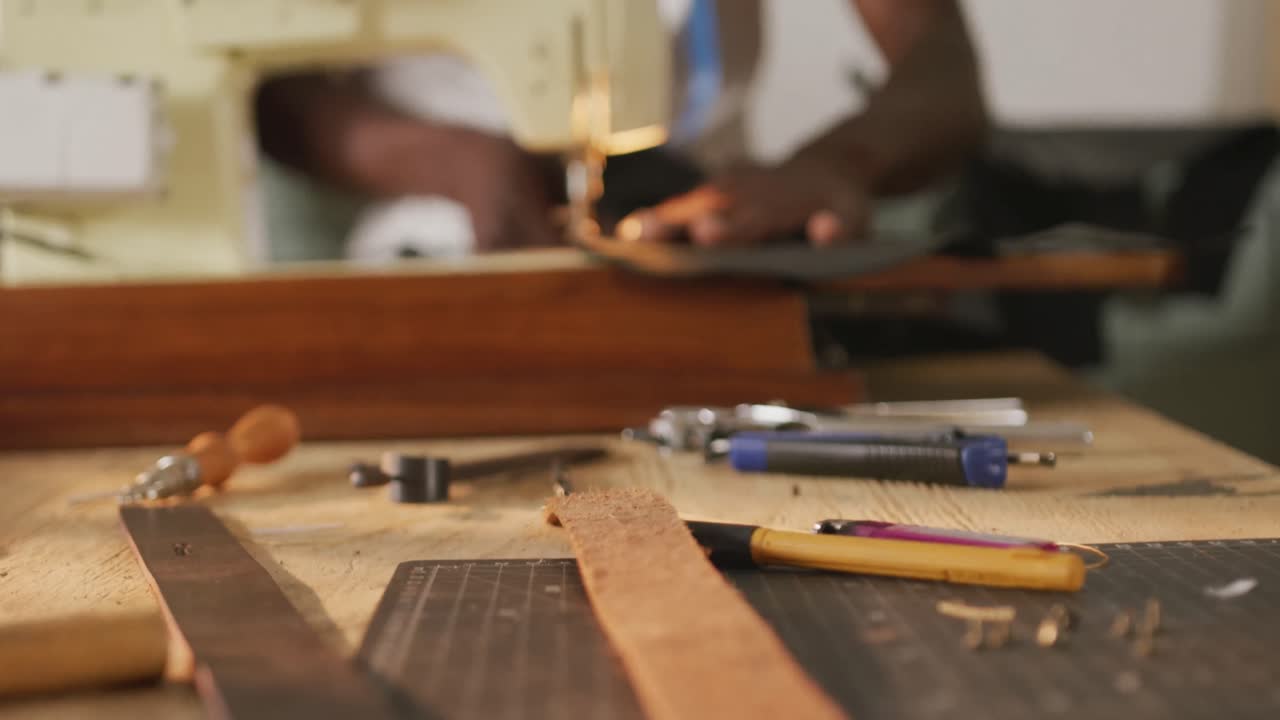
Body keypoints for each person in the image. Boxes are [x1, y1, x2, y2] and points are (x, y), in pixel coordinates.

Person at [255, 0, 987, 258]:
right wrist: (447, 159)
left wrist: (839, 164)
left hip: (705, 214)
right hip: (421, 222)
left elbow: (944, 70)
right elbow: (260, 82)